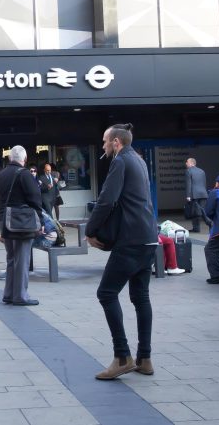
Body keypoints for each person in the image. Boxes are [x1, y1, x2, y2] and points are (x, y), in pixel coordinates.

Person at [85, 123, 159, 380]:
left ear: (116, 142)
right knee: (141, 297)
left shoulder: (120, 162)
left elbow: (107, 199)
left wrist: (90, 231)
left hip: (130, 241)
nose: (103, 145)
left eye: (105, 141)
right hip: (149, 237)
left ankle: (122, 356)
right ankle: (145, 358)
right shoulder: (139, 161)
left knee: (106, 293)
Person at [0, 145, 42, 306]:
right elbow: (35, 199)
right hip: (22, 222)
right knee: (22, 258)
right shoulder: (25, 174)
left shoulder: (1, 174)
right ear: (25, 158)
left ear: (10, 158)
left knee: (11, 258)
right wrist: (40, 222)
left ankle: (8, 294)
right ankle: (21, 296)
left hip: (5, 220)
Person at [183, 158, 208, 232]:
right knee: (202, 211)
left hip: (194, 195)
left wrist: (188, 196)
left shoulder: (188, 171)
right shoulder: (202, 171)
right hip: (203, 194)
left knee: (194, 212)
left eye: (187, 162)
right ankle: (209, 223)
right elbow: (204, 183)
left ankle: (196, 228)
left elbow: (188, 184)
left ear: (191, 163)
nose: (186, 163)